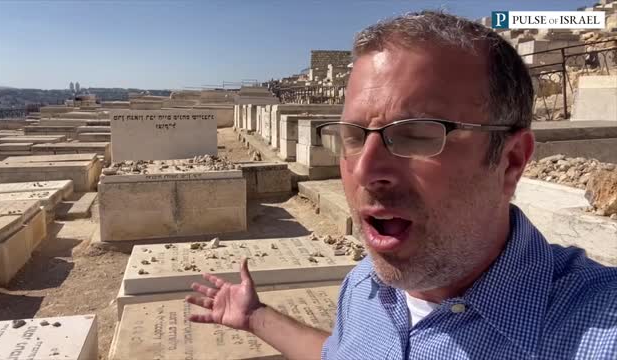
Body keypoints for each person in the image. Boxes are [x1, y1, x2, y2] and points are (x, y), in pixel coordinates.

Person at [186, 11, 617, 359]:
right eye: (354, 135)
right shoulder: (365, 289)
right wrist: (255, 317)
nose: (365, 170)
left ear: (511, 161)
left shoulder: (598, 330)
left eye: (416, 134)